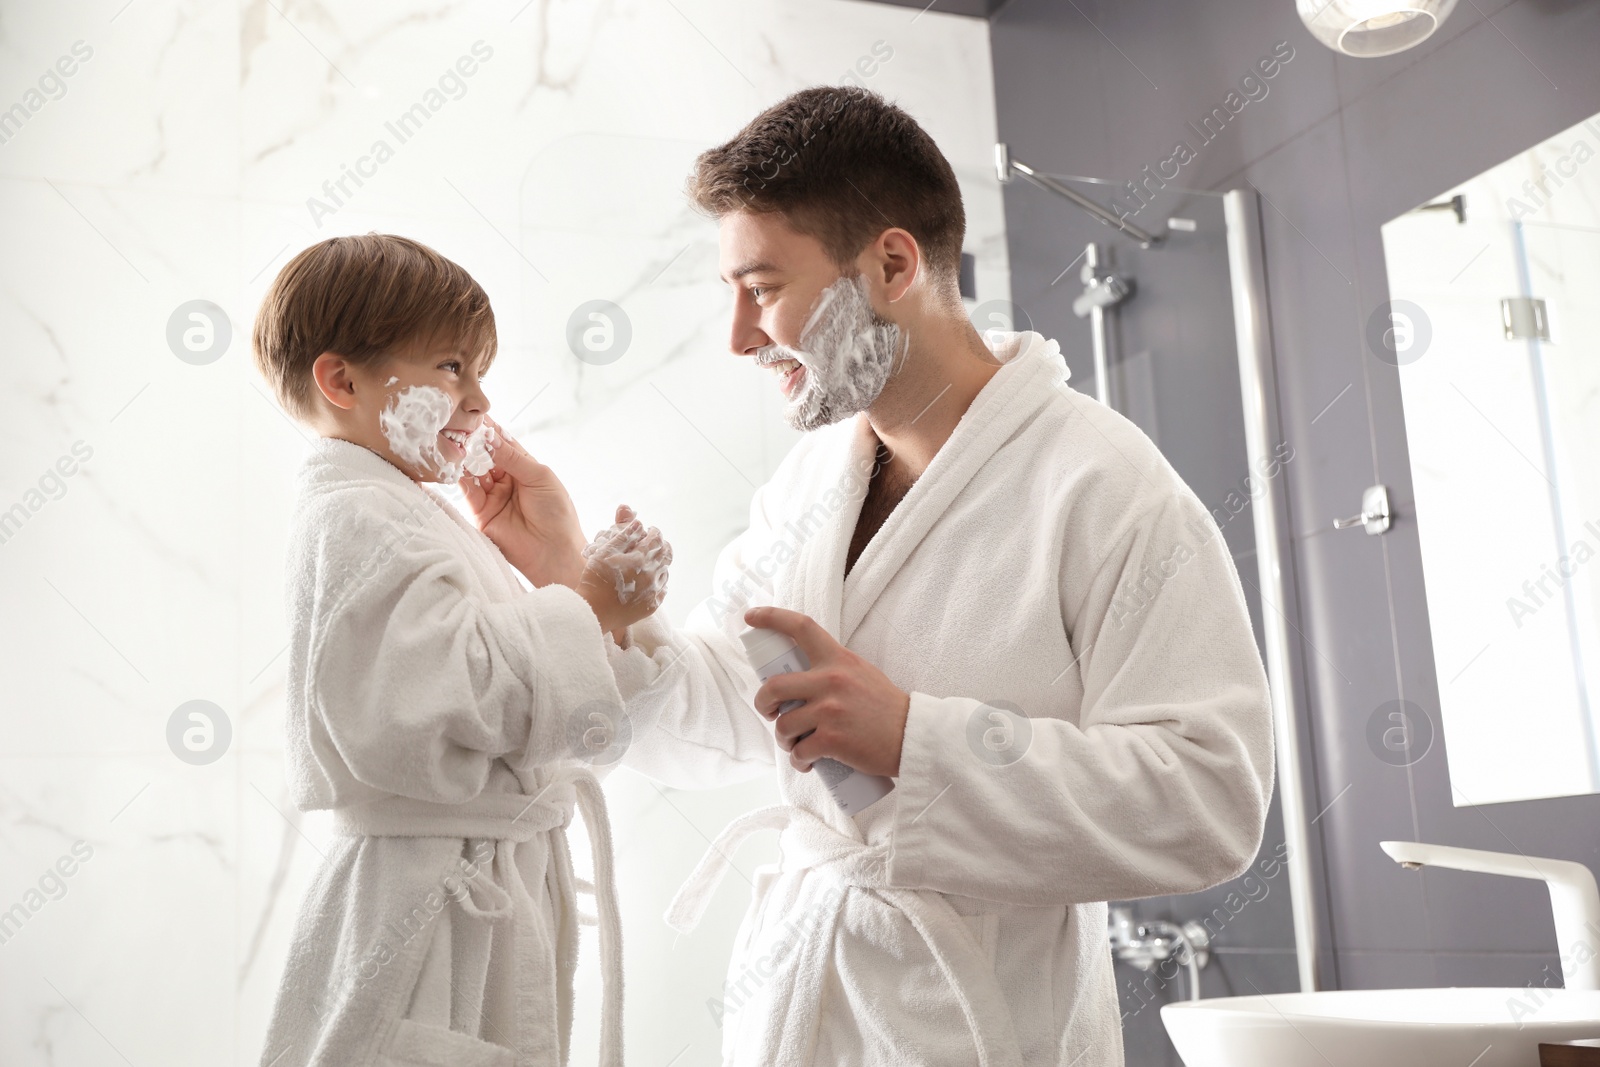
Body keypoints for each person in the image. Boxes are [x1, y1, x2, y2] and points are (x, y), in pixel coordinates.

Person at [473, 87, 1275, 1066]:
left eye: (761, 287)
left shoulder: (1103, 485)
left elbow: (1209, 798)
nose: (737, 336)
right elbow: (724, 702)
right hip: (806, 1001)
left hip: (982, 1017)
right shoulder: (812, 479)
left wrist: (915, 740)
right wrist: (569, 576)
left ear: (892, 263)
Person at [252, 233, 670, 1067]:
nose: (480, 399)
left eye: (479, 371)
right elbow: (431, 699)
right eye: (451, 367)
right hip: (423, 916)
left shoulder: (403, 510)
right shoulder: (355, 517)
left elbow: (550, 714)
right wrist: (585, 603)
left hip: (471, 888)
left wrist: (561, 570)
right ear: (341, 381)